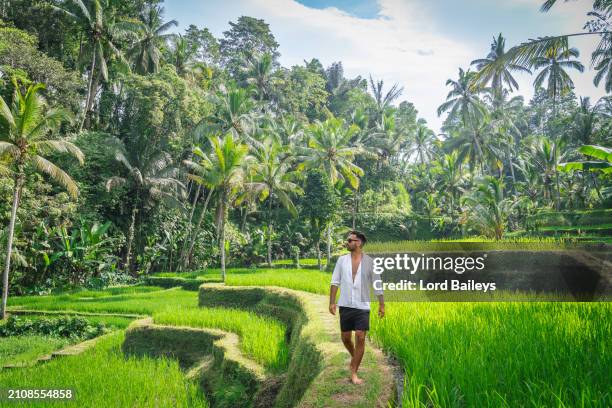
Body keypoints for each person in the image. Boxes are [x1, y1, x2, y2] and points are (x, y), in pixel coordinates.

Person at [329, 230, 384, 385]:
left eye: (350, 240)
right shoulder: (341, 261)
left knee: (360, 336)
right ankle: (356, 357)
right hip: (346, 304)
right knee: (345, 338)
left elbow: (377, 284)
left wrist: (381, 305)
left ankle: (353, 371)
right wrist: (332, 302)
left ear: (358, 242)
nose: (347, 242)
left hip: (362, 305)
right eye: (348, 240)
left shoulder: (370, 262)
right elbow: (335, 282)